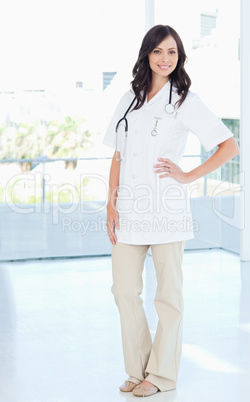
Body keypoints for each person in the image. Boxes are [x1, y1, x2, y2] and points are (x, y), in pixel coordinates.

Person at [103, 25, 239, 397]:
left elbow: (229, 146)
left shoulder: (185, 100)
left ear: (179, 58)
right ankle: (138, 370)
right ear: (147, 54)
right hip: (129, 210)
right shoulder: (128, 99)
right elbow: (117, 156)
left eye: (173, 53)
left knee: (168, 297)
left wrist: (188, 174)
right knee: (124, 292)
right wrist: (111, 204)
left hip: (166, 208)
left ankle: (161, 376)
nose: (166, 59)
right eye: (159, 51)